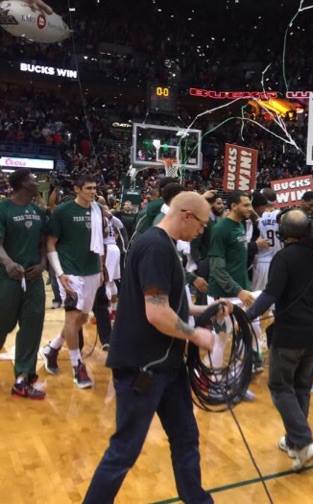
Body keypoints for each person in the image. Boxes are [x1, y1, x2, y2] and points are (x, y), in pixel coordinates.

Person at [83, 192, 218, 503]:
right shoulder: (156, 247)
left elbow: (167, 306)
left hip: (166, 366)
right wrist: (197, 336)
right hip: (143, 368)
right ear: (186, 215)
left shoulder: (163, 246)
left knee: (186, 438)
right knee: (124, 450)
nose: (201, 231)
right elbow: (157, 313)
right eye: (201, 224)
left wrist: (208, 310)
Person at [244, 209, 313, 471]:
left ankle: (303, 441)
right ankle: (294, 443)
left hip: (291, 332)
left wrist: (247, 316)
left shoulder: (283, 257)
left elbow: (271, 294)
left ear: (283, 232)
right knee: (301, 388)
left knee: (281, 387)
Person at [42, 173, 103, 389]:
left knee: (82, 318)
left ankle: (52, 349)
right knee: (72, 316)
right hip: (70, 272)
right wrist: (59, 273)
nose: (93, 192)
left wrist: (102, 268)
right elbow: (51, 243)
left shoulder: (98, 210)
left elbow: (100, 243)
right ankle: (78, 366)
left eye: (94, 188)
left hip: (92, 270)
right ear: (77, 189)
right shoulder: (62, 211)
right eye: (88, 188)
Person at [0, 168, 47, 399]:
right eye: (32, 179)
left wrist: (42, 264)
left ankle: (23, 379)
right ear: (21, 184)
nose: (36, 181)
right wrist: (8, 263)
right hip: (7, 279)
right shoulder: (3, 209)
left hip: (33, 279)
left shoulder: (38, 211)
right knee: (2, 324)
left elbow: (44, 245)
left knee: (32, 327)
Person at [207, 191, 267, 372]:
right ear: (233, 206)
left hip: (241, 291)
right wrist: (237, 290)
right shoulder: (221, 229)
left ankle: (236, 380)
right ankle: (213, 381)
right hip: (223, 294)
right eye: (246, 205)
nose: (250, 209)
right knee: (220, 340)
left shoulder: (240, 226)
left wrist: (243, 289)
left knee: (248, 334)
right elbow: (217, 268)